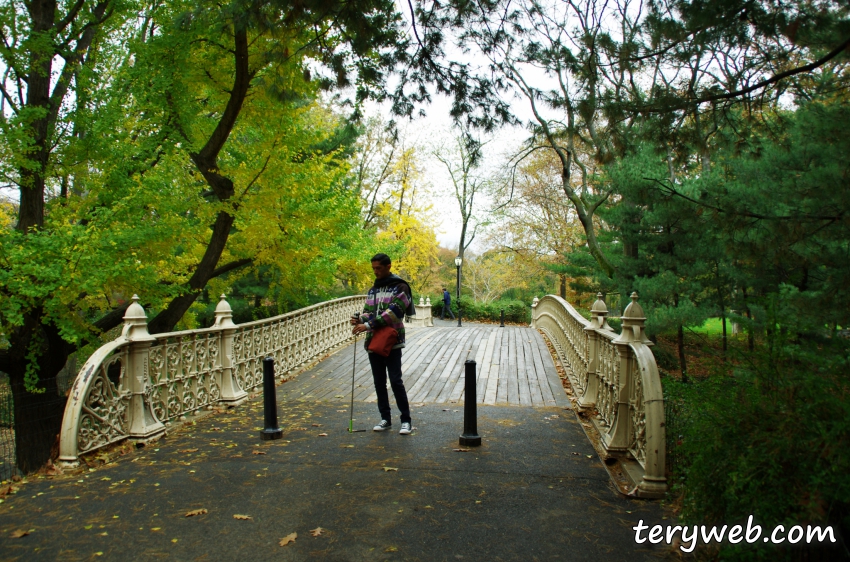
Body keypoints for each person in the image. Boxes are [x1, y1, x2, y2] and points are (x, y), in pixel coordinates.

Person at [351, 253, 414, 435]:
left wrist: (368, 324)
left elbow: (394, 312)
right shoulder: (373, 290)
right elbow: (368, 312)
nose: (376, 272)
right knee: (379, 382)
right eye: (373, 269)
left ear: (388, 267)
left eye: (379, 268)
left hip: (392, 341)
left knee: (396, 380)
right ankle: (385, 418)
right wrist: (360, 319)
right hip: (374, 341)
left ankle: (406, 420)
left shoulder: (401, 287)